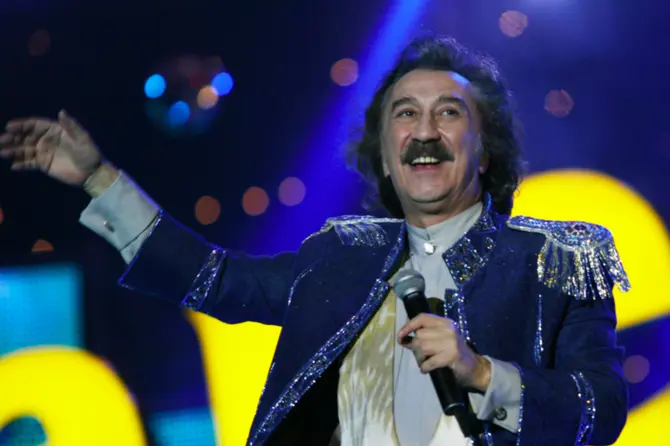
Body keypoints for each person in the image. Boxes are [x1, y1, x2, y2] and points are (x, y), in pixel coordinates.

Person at [0, 35, 630, 446]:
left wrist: (482, 372)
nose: (424, 130)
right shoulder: (341, 255)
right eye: (405, 114)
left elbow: (600, 408)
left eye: (448, 112)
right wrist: (98, 179)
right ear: (387, 158)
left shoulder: (559, 259)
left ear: (486, 151)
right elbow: (214, 278)